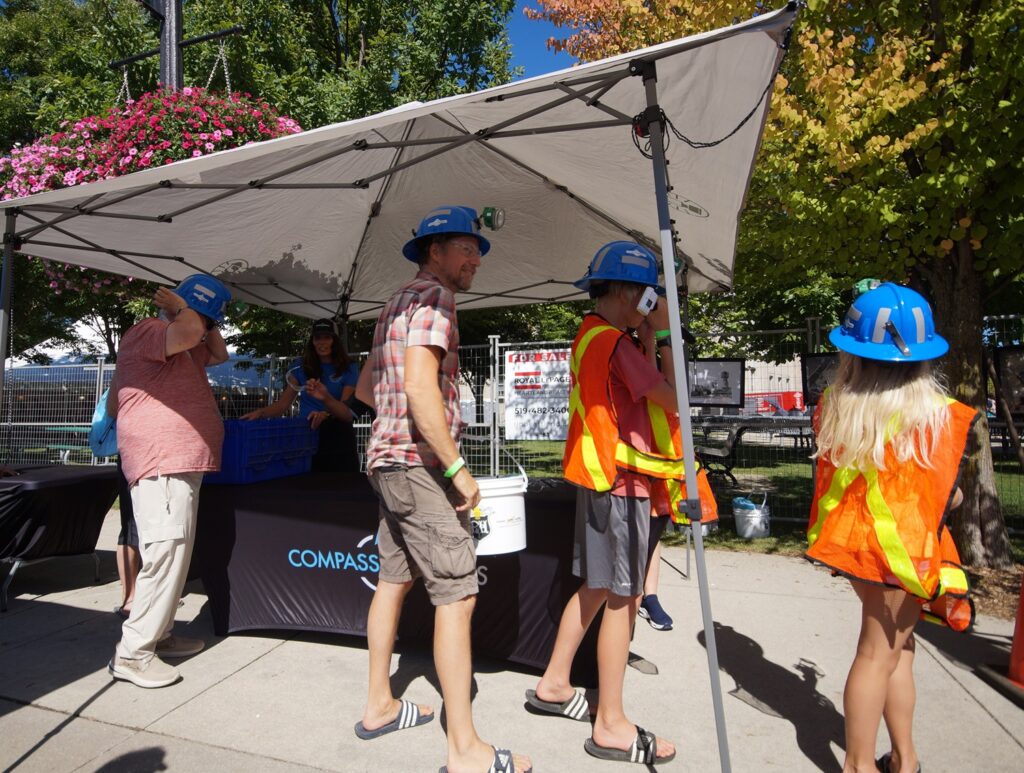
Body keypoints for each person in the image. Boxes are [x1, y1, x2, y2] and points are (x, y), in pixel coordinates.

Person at [356, 206, 531, 773]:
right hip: (418, 466)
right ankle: (466, 752)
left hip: (388, 462)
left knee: (392, 581)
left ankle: (380, 704)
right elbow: (418, 387)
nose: (476, 259)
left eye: (478, 249)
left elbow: (367, 387)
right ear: (434, 251)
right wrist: (457, 467)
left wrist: (400, 429)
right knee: (458, 596)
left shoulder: (394, 302)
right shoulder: (434, 299)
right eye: (465, 247)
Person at [527, 241, 716, 766]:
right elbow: (672, 397)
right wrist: (663, 337)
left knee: (597, 587)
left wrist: (648, 330)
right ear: (631, 290)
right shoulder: (618, 344)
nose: (651, 303)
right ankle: (610, 722)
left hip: (600, 480)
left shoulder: (592, 335)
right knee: (623, 600)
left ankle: (555, 683)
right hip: (623, 486)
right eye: (648, 293)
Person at [806, 282, 975, 773]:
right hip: (908, 552)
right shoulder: (937, 417)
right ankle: (864, 765)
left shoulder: (838, 406)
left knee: (898, 649)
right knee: (882, 652)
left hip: (861, 549)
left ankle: (904, 758)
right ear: (923, 356)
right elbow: (950, 496)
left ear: (854, 352)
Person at [107, 274, 231, 689]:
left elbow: (219, 351)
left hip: (180, 463)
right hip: (162, 461)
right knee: (164, 553)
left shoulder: (189, 341)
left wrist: (204, 318)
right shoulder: (151, 329)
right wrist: (185, 309)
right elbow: (193, 331)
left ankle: (158, 634)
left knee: (175, 554)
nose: (206, 327)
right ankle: (133, 654)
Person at [242, 318, 361, 472]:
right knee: (304, 490)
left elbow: (345, 412)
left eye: (327, 337)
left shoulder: (349, 367)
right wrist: (261, 413)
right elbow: (283, 405)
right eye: (318, 338)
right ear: (312, 341)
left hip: (338, 435)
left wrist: (325, 410)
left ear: (335, 340)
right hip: (307, 432)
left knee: (342, 489)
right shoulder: (299, 366)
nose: (322, 342)